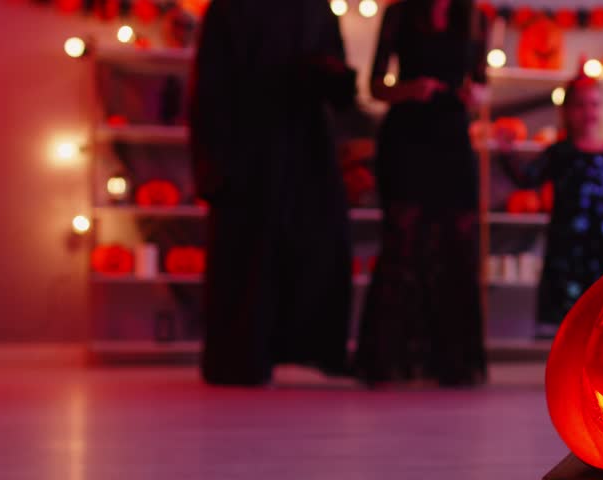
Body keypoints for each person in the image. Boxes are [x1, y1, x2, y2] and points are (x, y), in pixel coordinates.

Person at [189, 0, 356, 386]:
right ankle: (241, 358)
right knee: (248, 252)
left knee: (318, 242)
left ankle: (315, 348)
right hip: (246, 148)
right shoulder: (230, 9)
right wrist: (212, 161)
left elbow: (337, 79)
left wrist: (330, 75)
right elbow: (210, 89)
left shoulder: (315, 8)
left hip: (305, 146)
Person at [354, 0, 489, 388]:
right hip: (408, 137)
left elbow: (480, 81)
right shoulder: (399, 13)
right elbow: (376, 86)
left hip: (452, 136)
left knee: (456, 241)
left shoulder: (475, 17)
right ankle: (390, 359)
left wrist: (476, 95)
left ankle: (451, 361)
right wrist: (409, 89)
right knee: (403, 240)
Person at [497, 71, 603, 340]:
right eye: (581, 105)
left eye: (595, 104)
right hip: (568, 246)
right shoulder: (560, 152)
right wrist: (507, 153)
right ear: (567, 111)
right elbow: (528, 178)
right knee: (569, 313)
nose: (588, 111)